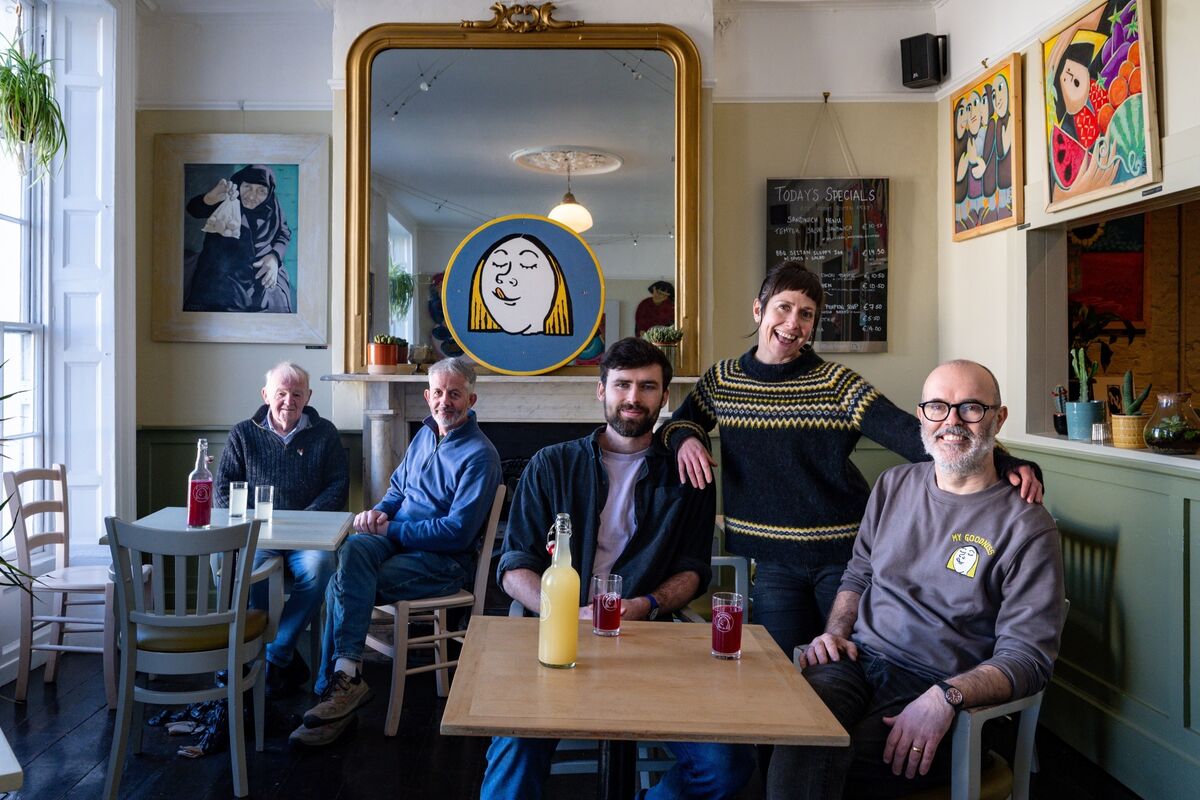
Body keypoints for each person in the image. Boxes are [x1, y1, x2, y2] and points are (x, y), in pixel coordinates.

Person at [661, 261, 1043, 658]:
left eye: (806, 314)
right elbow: (676, 424)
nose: (793, 323)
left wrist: (1005, 462)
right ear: (759, 310)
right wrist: (688, 437)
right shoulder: (723, 380)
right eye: (783, 308)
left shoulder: (837, 383)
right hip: (774, 563)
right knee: (781, 669)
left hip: (845, 559)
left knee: (851, 661)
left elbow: (916, 435)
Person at [765, 360, 1065, 798]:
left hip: (941, 689)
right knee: (799, 732)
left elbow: (1030, 659)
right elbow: (859, 572)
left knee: (830, 759)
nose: (952, 422)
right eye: (938, 407)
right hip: (856, 660)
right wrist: (835, 632)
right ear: (921, 415)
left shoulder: (1027, 526)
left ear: (999, 418)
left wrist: (946, 696)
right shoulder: (893, 485)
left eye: (971, 409)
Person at [481, 337, 755, 800]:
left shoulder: (686, 472)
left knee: (727, 766)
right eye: (622, 385)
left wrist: (646, 604)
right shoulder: (552, 464)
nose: (633, 398)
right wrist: (563, 610)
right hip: (557, 638)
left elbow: (692, 569)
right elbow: (513, 567)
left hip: (651, 642)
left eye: (647, 387)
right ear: (600, 390)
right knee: (513, 747)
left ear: (664, 397)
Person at [289, 357, 502, 747]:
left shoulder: (480, 455)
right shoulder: (423, 436)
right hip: (395, 543)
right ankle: (346, 680)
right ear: (427, 396)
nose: (445, 401)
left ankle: (333, 690)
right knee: (352, 551)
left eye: (455, 393)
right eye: (438, 393)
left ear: (471, 398)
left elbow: (456, 533)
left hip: (442, 563)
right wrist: (378, 513)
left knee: (344, 581)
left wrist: (394, 527)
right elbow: (397, 491)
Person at [216, 362, 348, 698]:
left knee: (323, 568)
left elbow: (337, 485)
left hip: (309, 538)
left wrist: (304, 521)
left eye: (296, 394)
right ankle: (277, 661)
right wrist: (250, 520)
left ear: (308, 397)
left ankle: (275, 655)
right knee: (255, 570)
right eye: (281, 393)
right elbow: (222, 489)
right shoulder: (243, 434)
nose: (288, 401)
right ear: (266, 395)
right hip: (260, 536)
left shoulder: (325, 433)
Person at [183, 163, 293, 313]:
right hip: (223, 272)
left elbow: (284, 233)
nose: (252, 196)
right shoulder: (228, 200)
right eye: (247, 187)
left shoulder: (272, 207)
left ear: (269, 192)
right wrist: (209, 198)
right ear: (239, 184)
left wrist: (274, 258)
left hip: (263, 271)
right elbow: (193, 209)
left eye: (261, 191)